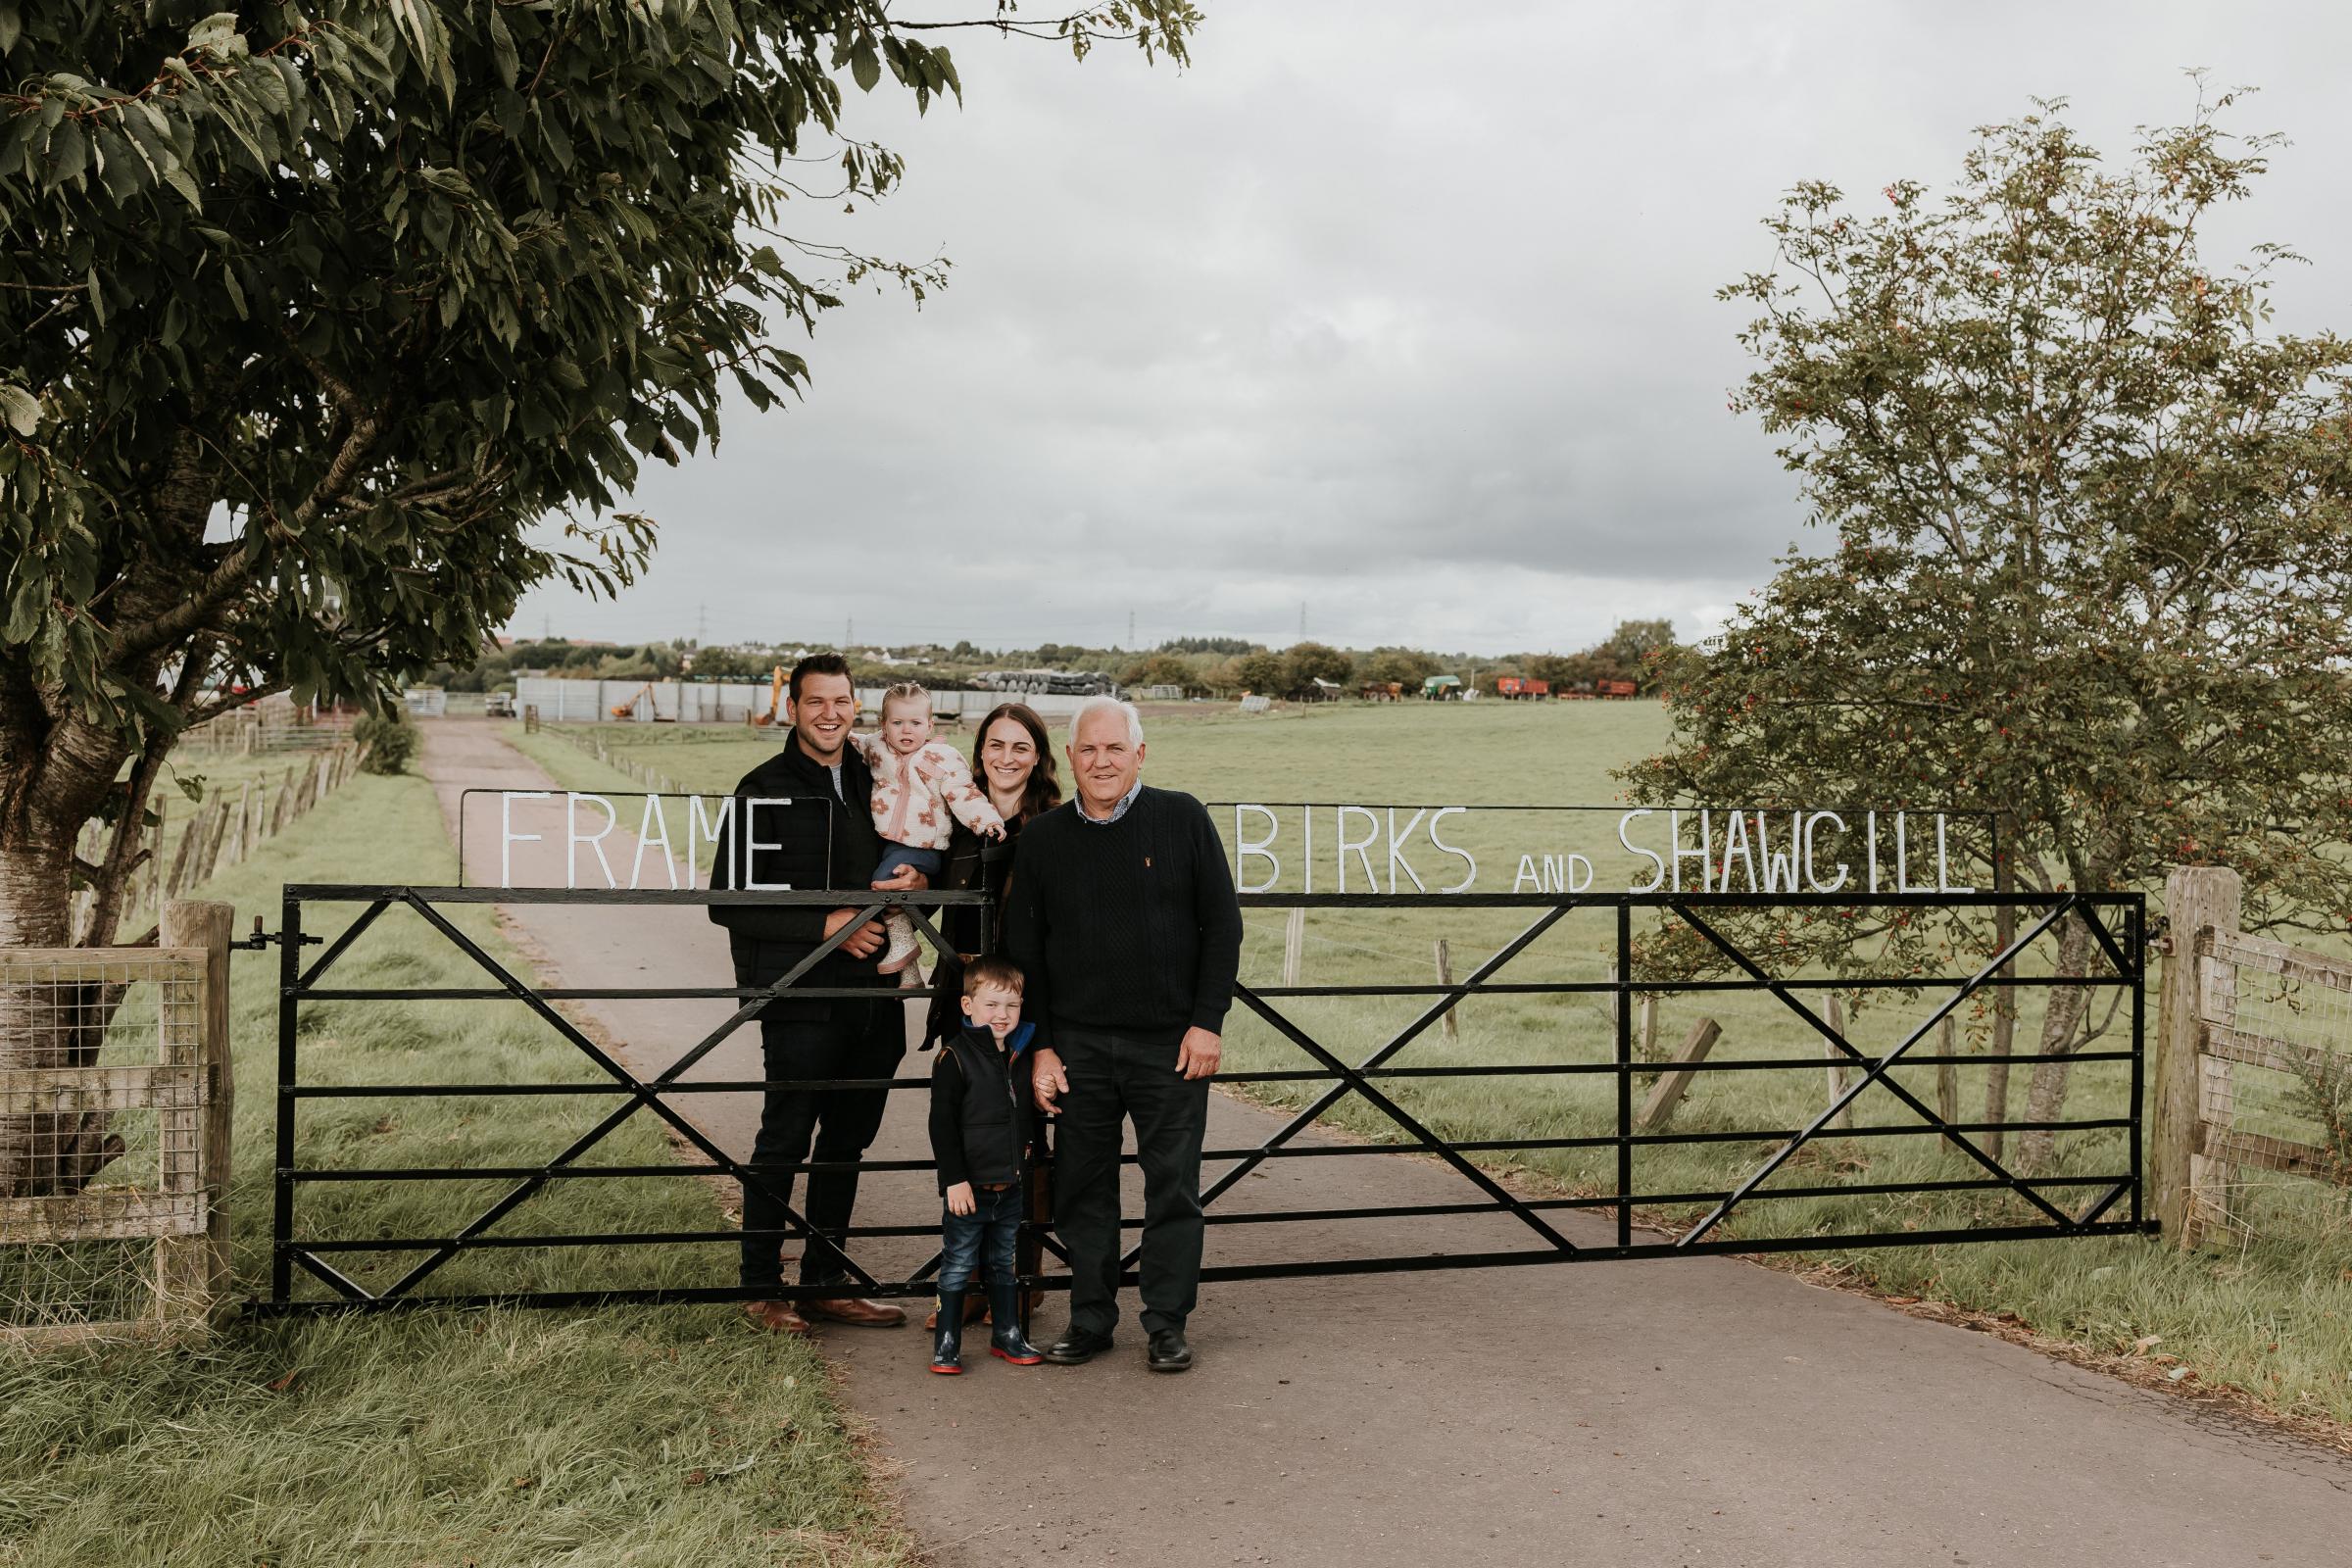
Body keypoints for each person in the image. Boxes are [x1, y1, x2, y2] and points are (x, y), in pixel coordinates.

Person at [1003, 696, 1244, 1374]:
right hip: (1078, 1046)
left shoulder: (1182, 818)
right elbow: (1027, 949)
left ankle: (1167, 1324)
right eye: (1088, 749)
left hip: (1170, 1044)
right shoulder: (1044, 839)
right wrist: (1042, 1043)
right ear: (1070, 758)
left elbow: (1222, 927)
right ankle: (1090, 1320)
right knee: (1084, 1189)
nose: (1101, 762)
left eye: (1115, 749)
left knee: (1173, 1187)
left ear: (1139, 754)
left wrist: (1206, 1022)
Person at [708, 653, 924, 1336]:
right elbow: (727, 899)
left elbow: (911, 850)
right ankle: (759, 1286)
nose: (829, 713)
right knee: (785, 1139)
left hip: (872, 997)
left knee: (847, 1143)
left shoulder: (878, 779)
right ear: (792, 708)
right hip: (802, 995)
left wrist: (916, 880)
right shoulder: (760, 787)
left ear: (853, 706)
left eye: (841, 701)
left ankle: (823, 1282)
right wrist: (824, 925)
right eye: (815, 702)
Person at [920, 701, 1062, 1333]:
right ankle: (968, 1284)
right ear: (979, 752)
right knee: (968, 1133)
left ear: (1038, 758)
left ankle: (1019, 1281)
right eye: (995, 745)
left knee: (1025, 1140)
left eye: (1020, 747)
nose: (1006, 758)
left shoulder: (1054, 826)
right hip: (966, 998)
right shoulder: (955, 814)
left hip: (1026, 1004)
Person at [925, 956, 1046, 1374]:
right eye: (992, 1005)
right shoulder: (954, 1059)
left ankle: (1007, 1333)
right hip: (968, 1189)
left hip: (1008, 1186)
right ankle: (947, 1341)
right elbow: (941, 1126)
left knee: (1003, 1262)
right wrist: (953, 1180)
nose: (1002, 1014)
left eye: (1011, 1006)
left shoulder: (1018, 1054)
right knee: (958, 1262)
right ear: (967, 1006)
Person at [848, 682, 1005, 975]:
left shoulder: (942, 758)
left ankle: (905, 944)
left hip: (924, 847)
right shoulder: (877, 747)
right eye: (897, 723)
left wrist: (987, 820)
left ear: (930, 725)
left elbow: (963, 792)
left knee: (884, 883)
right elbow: (852, 739)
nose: (907, 731)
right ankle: (909, 971)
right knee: (878, 887)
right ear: (884, 725)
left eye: (916, 723)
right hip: (888, 843)